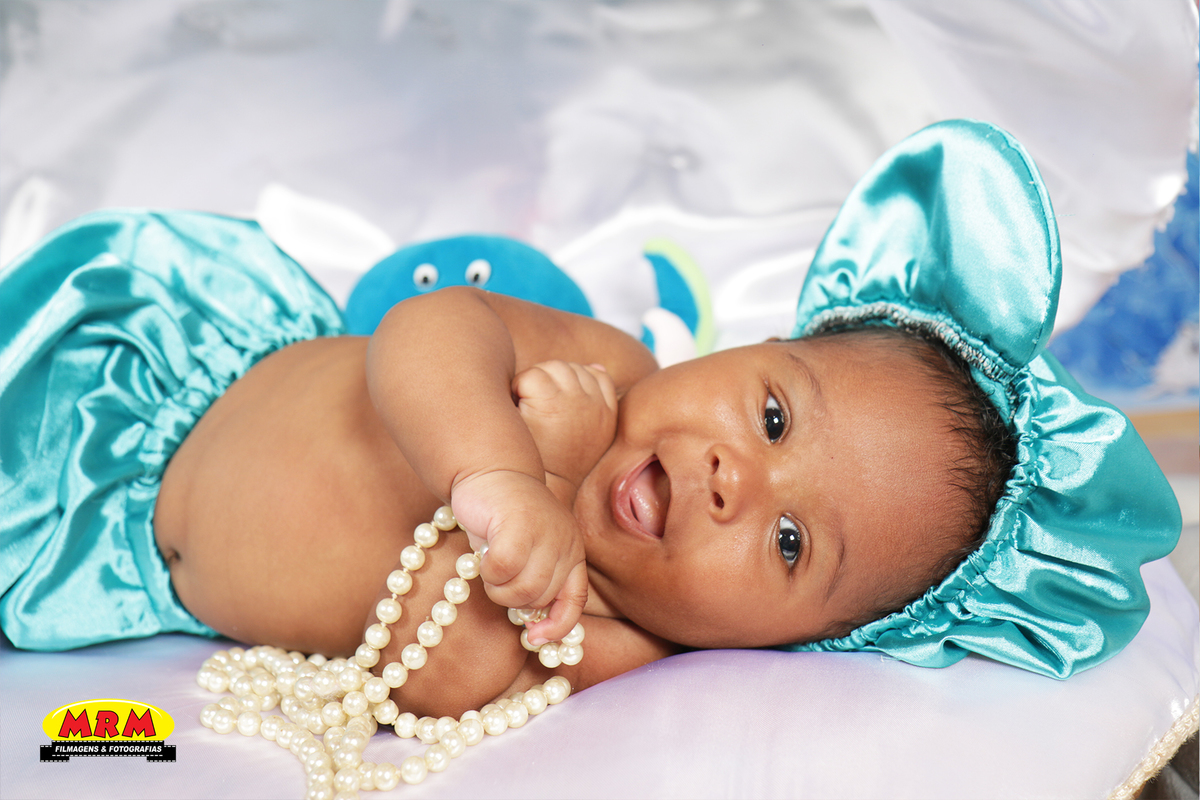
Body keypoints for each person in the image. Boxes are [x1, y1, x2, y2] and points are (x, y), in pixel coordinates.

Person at [0, 121, 1180, 721]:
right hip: (122, 401)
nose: (735, 479)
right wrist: (506, 468)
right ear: (750, 347)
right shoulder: (602, 370)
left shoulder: (621, 647)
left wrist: (520, 605)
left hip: (101, 562)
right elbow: (428, 332)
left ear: (791, 643)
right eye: (774, 413)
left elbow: (445, 670)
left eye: (789, 544)